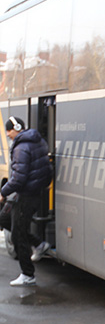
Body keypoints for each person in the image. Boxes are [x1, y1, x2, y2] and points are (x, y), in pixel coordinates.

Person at [0, 117, 52, 285]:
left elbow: (18, 178)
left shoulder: (21, 147)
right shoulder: (38, 141)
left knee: (18, 235)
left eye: (9, 130)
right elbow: (47, 168)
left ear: (16, 128)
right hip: (31, 194)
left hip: (26, 196)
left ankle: (28, 275)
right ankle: (38, 244)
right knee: (4, 219)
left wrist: (3, 192)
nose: (7, 134)